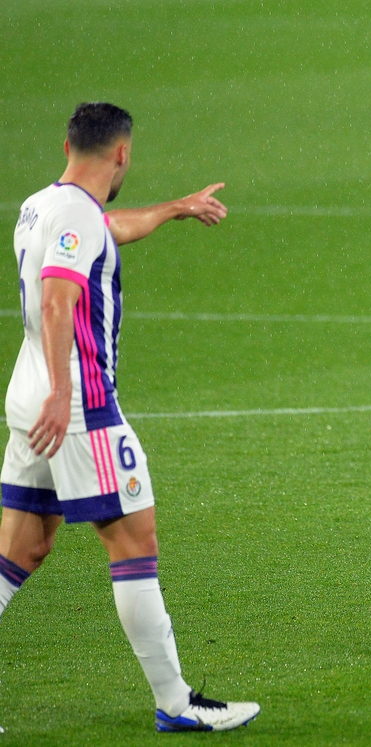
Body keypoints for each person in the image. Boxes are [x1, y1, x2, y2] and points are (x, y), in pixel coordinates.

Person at [0, 102, 260, 731]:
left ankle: (175, 701)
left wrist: (174, 208)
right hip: (78, 406)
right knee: (134, 539)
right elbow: (61, 298)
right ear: (122, 154)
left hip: (28, 396)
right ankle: (176, 703)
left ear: (68, 145)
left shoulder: (43, 206)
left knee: (23, 549)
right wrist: (66, 393)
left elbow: (104, 230)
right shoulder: (75, 217)